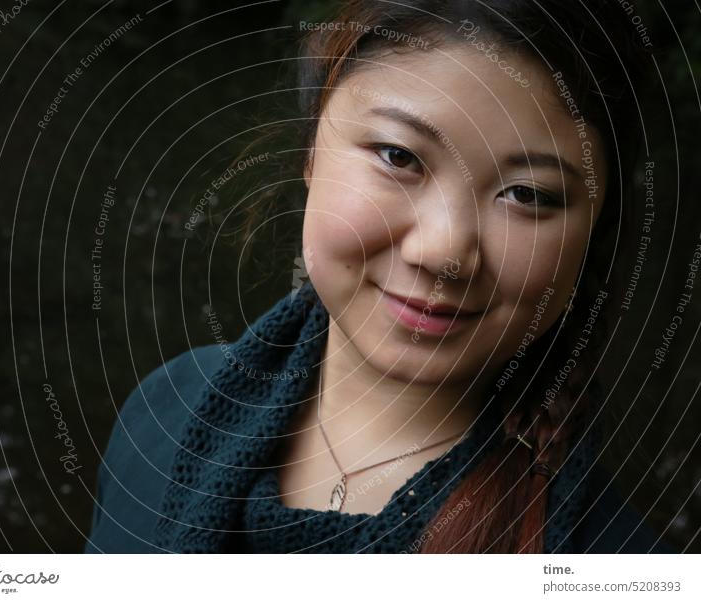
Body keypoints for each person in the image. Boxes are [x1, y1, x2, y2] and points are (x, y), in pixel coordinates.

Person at [85, 0, 675, 553]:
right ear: (312, 151)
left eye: (527, 194)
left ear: (594, 229)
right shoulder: (166, 409)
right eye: (400, 156)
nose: (445, 252)